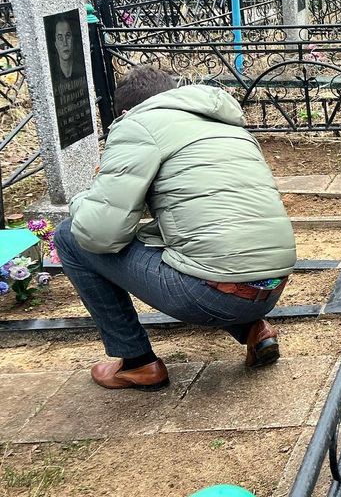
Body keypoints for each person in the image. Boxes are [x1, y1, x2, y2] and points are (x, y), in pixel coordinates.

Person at [54, 66, 297, 390]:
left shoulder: (137, 126)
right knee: (212, 240)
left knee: (70, 236)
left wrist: (85, 197)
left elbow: (100, 233)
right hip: (271, 287)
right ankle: (254, 330)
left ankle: (137, 362)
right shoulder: (223, 121)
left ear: (127, 112)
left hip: (211, 296)